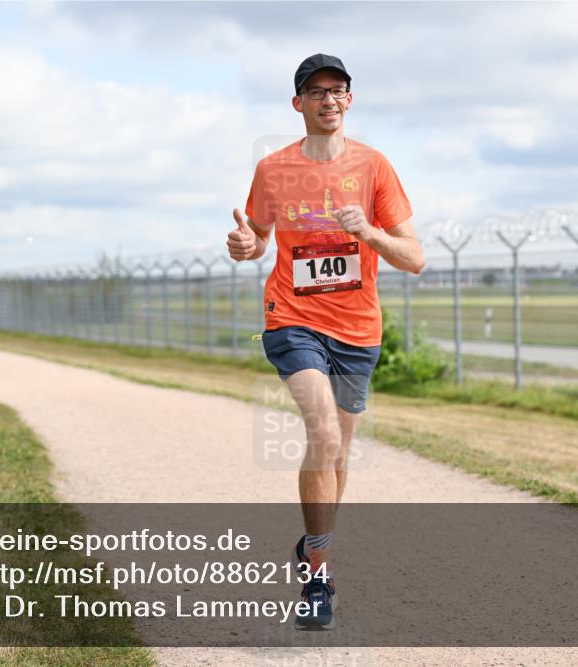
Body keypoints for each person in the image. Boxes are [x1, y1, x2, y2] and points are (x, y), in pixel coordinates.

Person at [228, 54, 424, 629]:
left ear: (350, 100)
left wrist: (369, 232)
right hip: (291, 316)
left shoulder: (375, 167)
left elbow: (414, 259)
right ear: (298, 104)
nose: (329, 100)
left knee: (338, 451)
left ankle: (314, 543)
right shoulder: (274, 169)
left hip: (358, 327)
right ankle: (319, 575)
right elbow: (257, 238)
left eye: (339, 90)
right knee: (322, 431)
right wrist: (245, 245)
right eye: (317, 92)